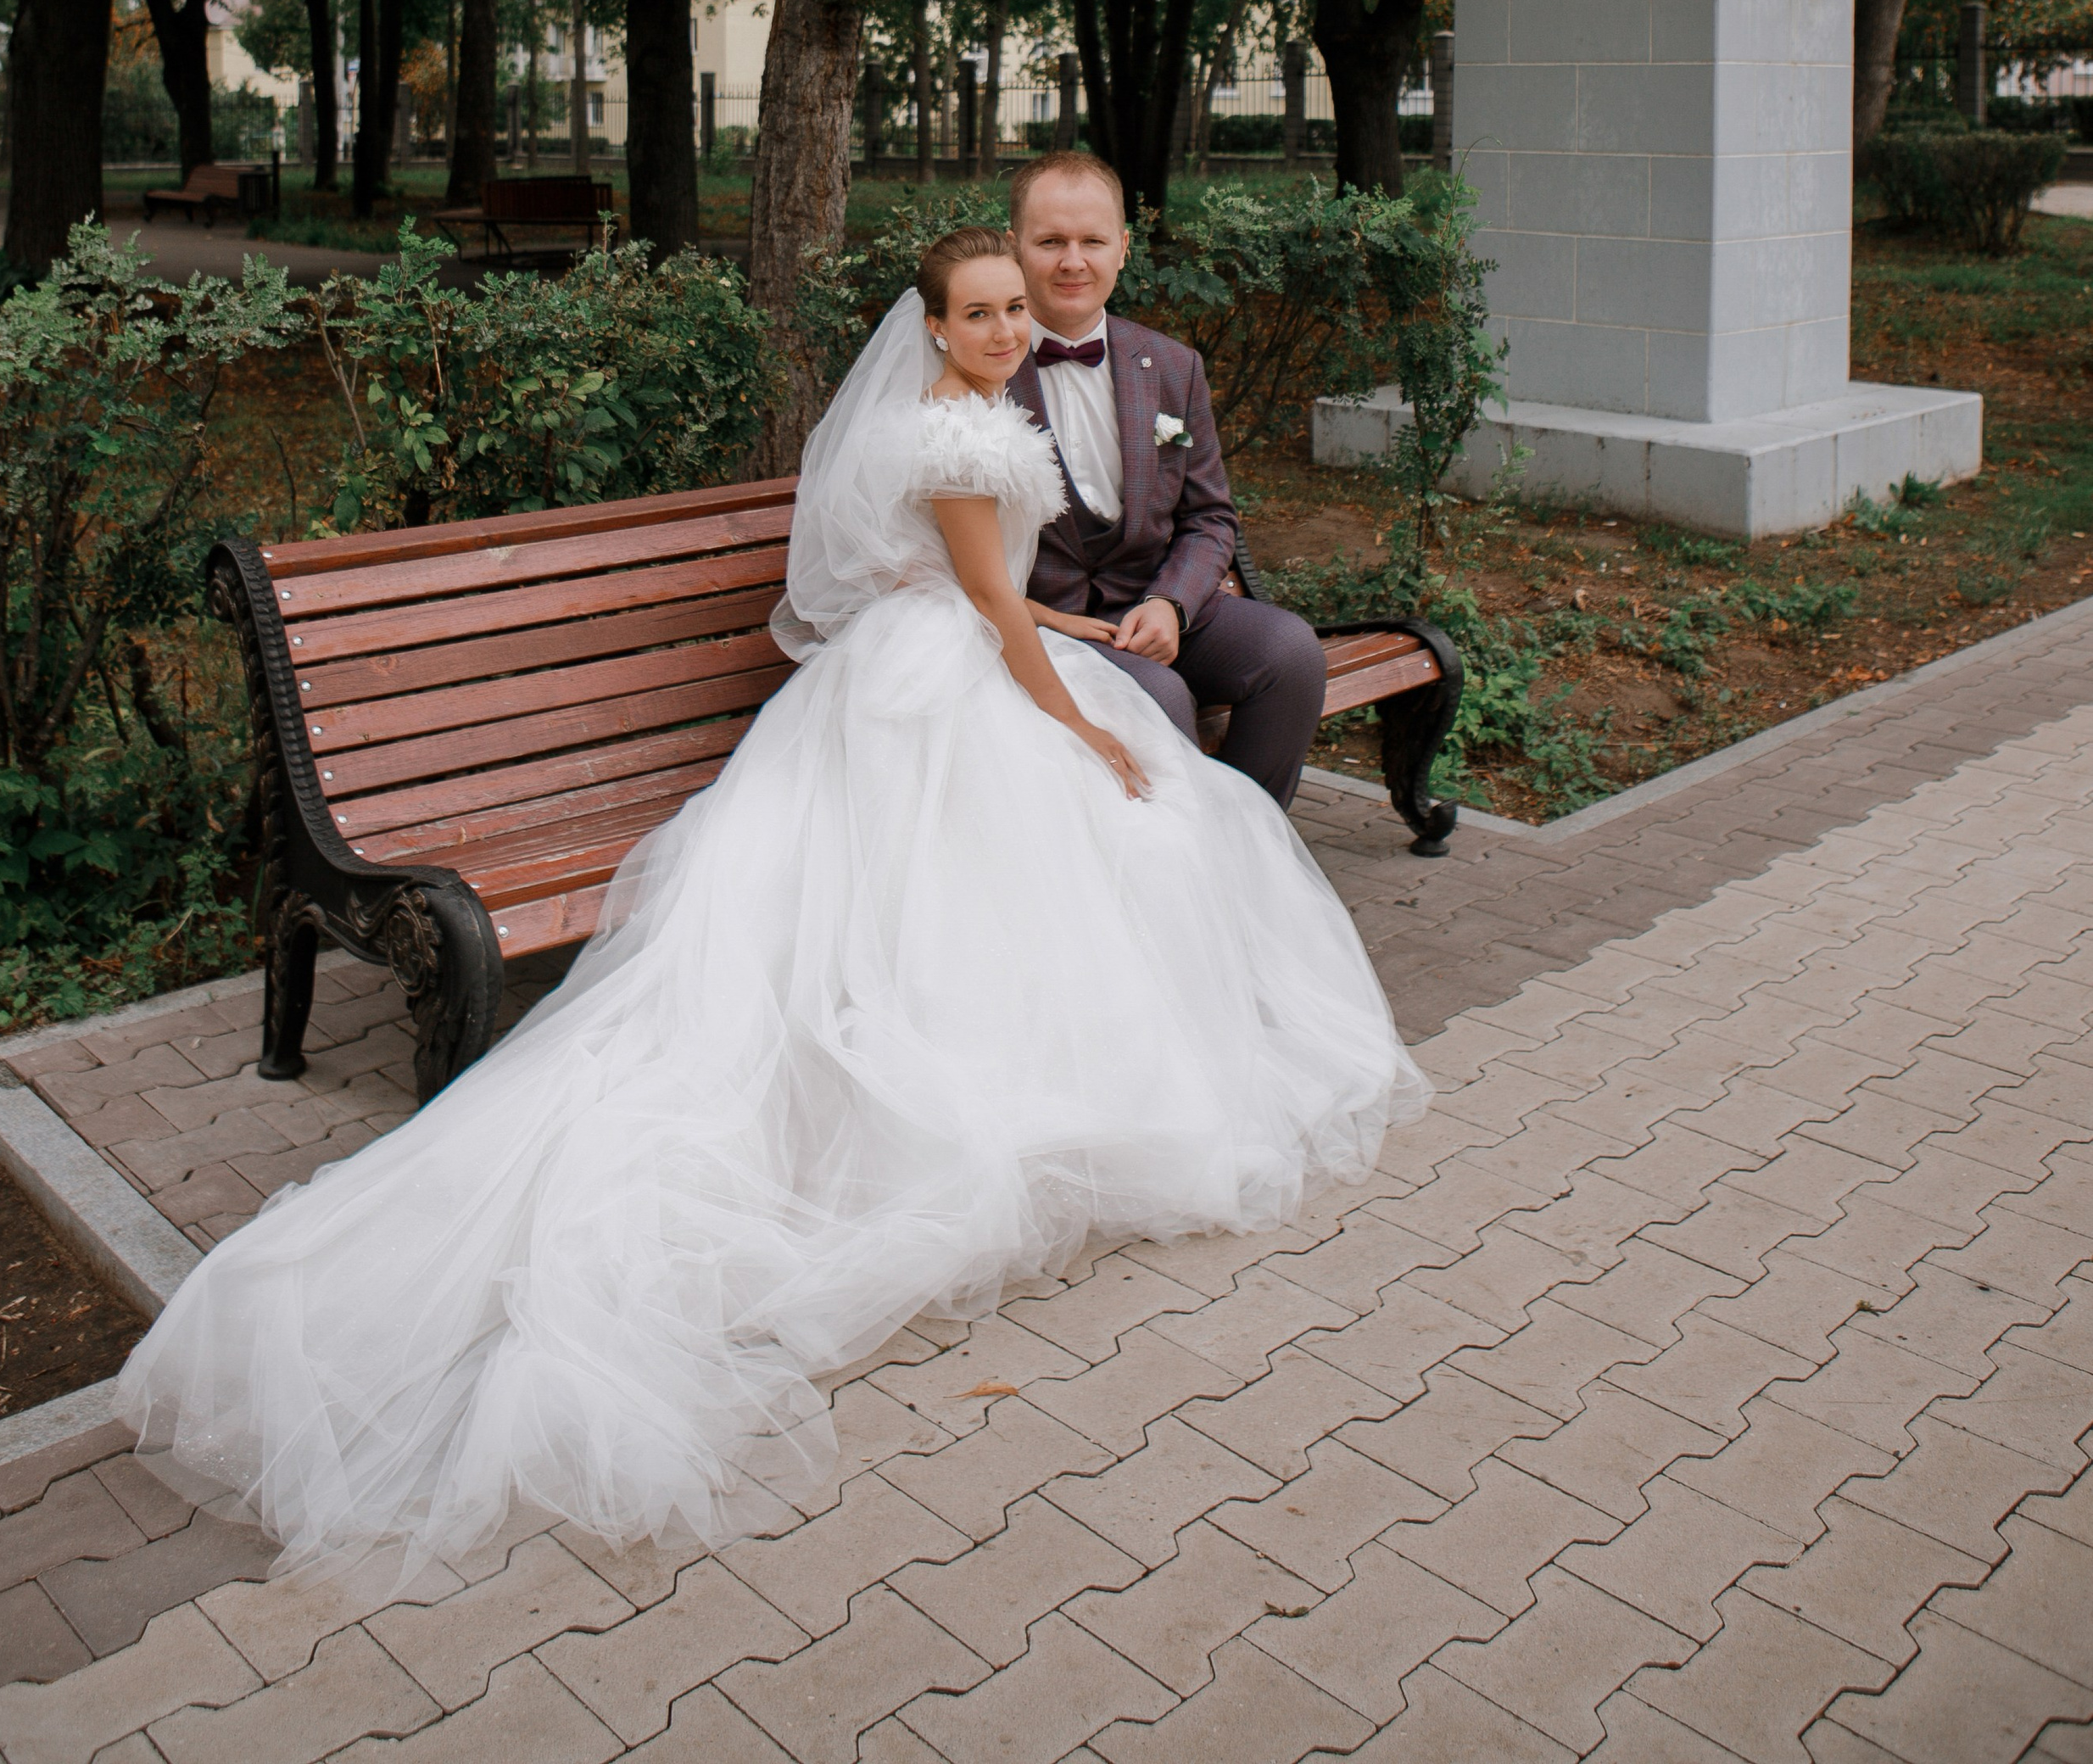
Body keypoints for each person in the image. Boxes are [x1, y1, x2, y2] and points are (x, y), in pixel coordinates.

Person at [116, 226, 1425, 1572]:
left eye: (1011, 312)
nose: (1002, 333)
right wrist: (1091, 729)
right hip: (953, 677)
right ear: (930, 329)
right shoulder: (963, 441)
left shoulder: (969, 413)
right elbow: (989, 603)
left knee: (1035, 864)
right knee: (1092, 821)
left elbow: (987, 598)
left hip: (943, 655)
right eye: (975, 315)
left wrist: (1086, 643)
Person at [1008, 149, 1331, 806]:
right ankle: (1178, 874)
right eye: (1050, 242)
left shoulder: (1172, 366)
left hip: (1152, 600)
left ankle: (1250, 844)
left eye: (1092, 241)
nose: (1074, 261)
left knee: (1290, 653)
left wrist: (1171, 603)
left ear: (1123, 249)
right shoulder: (981, 365)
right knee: (1158, 695)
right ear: (1014, 247)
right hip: (1046, 627)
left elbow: (1210, 517)